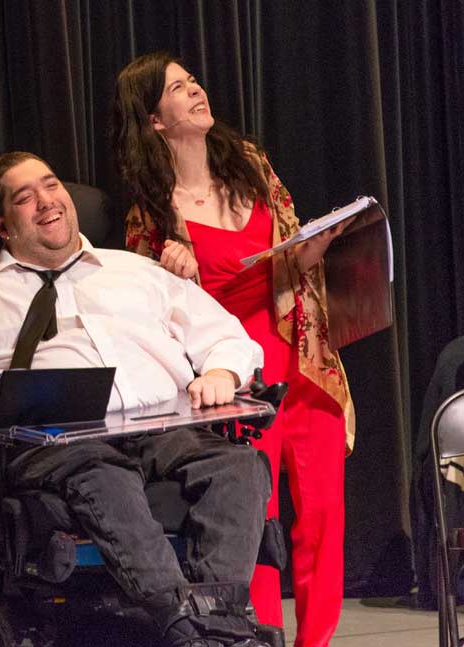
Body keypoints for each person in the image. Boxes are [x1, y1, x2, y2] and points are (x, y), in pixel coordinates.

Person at [0, 151, 273, 647]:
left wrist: (222, 371)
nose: (46, 201)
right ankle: (184, 626)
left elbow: (226, 336)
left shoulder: (138, 272)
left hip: (161, 430)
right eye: (25, 197)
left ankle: (221, 625)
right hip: (56, 446)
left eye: (51, 184)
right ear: (1, 224)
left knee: (240, 466)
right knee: (102, 474)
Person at [110, 52, 355, 646]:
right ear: (155, 121)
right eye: (177, 87)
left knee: (323, 517)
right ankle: (257, 636)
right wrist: (175, 275)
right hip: (237, 385)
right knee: (258, 521)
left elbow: (291, 260)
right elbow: (140, 316)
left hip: (301, 364)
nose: (196, 90)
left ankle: (316, 641)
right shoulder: (153, 212)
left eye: (194, 79)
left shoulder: (250, 165)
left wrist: (316, 245)